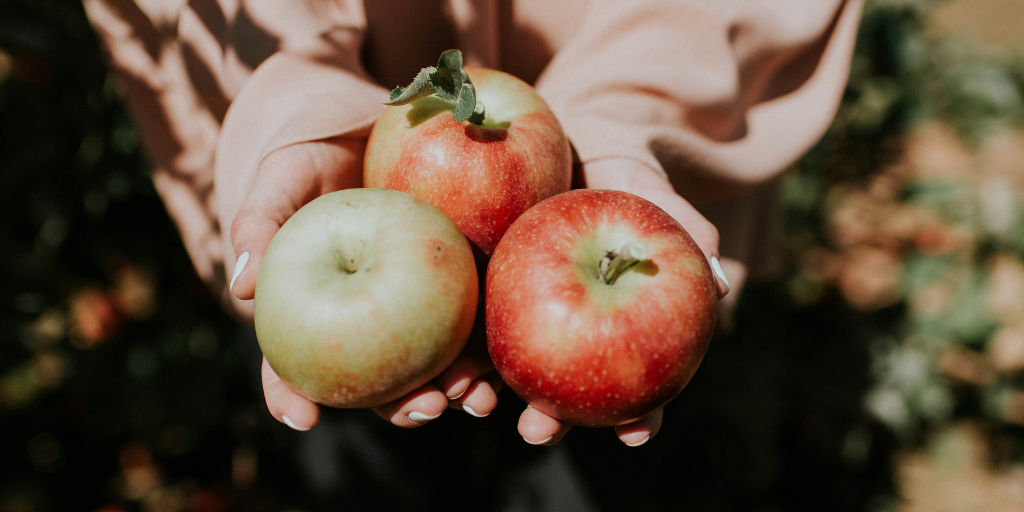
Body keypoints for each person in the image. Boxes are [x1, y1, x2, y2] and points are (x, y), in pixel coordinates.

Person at [83, 0, 861, 450]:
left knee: (596, 475)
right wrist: (301, 101)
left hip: (614, 168)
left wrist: (626, 123)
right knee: (362, 458)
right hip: (358, 257)